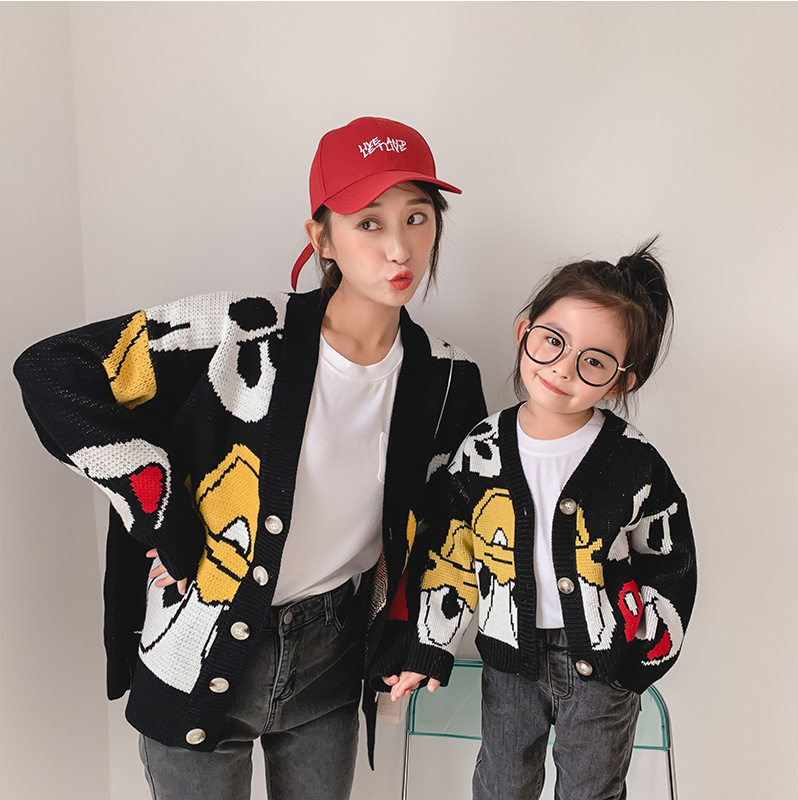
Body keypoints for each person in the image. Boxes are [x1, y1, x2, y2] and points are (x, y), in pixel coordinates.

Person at [13, 116, 487, 800]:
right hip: (197, 645)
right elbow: (53, 372)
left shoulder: (447, 378)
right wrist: (163, 511)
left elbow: (456, 522)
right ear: (321, 237)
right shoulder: (239, 332)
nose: (398, 247)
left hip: (332, 657)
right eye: (369, 223)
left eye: (417, 217)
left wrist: (426, 637)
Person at [389, 240, 697, 800]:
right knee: (502, 785)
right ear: (523, 331)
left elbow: (669, 558)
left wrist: (641, 650)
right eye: (553, 341)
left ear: (622, 381)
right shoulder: (482, 450)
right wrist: (430, 646)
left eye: (594, 361)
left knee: (591, 790)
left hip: (603, 667)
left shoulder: (632, 460)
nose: (563, 368)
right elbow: (452, 552)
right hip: (510, 662)